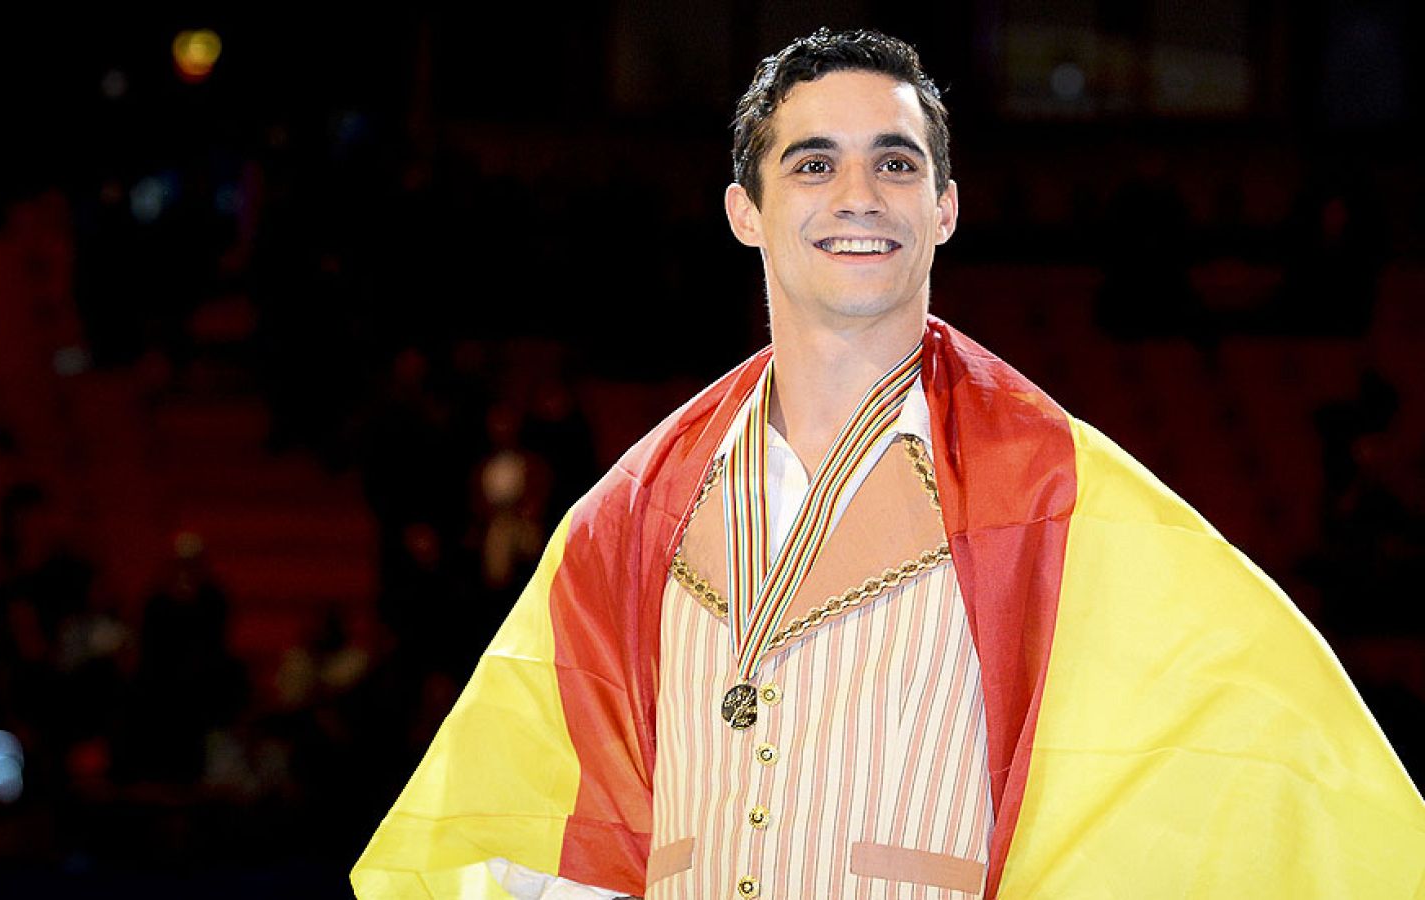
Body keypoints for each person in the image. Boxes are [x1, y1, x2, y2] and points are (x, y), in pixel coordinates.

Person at [351, 28, 1425, 899]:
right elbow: (514, 832)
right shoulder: (627, 516)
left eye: (894, 163)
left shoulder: (1061, 498)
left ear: (943, 208)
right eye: (811, 163)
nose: (856, 193)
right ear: (743, 211)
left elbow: (1271, 775)